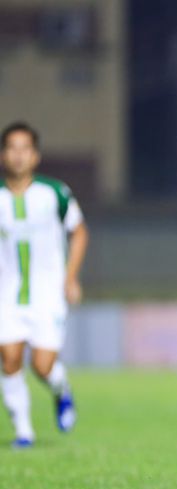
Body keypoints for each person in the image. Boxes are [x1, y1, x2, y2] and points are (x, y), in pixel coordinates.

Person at [0, 122, 88, 448]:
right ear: (3, 154)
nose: (18, 155)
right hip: (7, 294)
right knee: (9, 358)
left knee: (42, 364)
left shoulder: (54, 193)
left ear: (35, 156)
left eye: (25, 149)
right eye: (12, 148)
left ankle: (60, 388)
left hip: (47, 293)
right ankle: (23, 432)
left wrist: (70, 277)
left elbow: (79, 232)